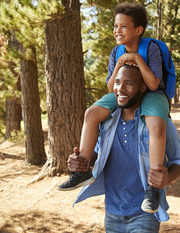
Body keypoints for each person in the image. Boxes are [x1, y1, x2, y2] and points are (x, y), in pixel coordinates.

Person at [58, 2, 170, 214]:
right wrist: (120, 63)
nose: (117, 31)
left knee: (155, 125)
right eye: (115, 26)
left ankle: (153, 187)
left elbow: (154, 84)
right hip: (123, 92)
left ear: (138, 30)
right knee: (91, 113)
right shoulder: (115, 51)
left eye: (123, 26)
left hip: (152, 94)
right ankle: (82, 169)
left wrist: (136, 58)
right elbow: (111, 87)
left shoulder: (151, 48)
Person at [69, 64, 180, 233]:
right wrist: (79, 163)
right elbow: (96, 153)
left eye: (129, 83)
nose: (120, 88)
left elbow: (179, 161)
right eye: (117, 82)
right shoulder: (106, 120)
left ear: (142, 88)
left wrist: (167, 178)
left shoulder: (159, 122)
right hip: (112, 213)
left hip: (145, 214)